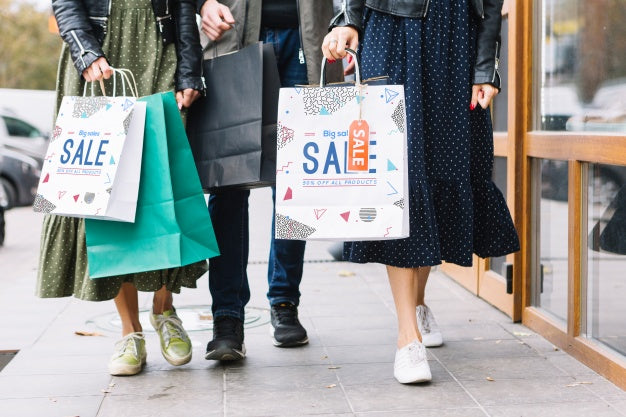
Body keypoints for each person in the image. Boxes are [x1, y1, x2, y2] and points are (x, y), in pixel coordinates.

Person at [323, 0, 520, 383]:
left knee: (441, 175)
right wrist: (348, 20)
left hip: (455, 36)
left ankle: (417, 303)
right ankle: (407, 337)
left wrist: (485, 66)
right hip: (392, 32)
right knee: (400, 177)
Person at [37, 0, 206, 376]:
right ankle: (130, 332)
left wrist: (191, 72)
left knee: (164, 188)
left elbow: (183, 7)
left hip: (160, 51)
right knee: (105, 194)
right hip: (101, 57)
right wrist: (85, 51)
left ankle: (164, 310)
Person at [196, 0, 343, 360]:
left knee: (296, 183)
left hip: (308, 40)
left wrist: (346, 23)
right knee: (227, 185)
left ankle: (284, 301)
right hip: (234, 35)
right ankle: (226, 319)